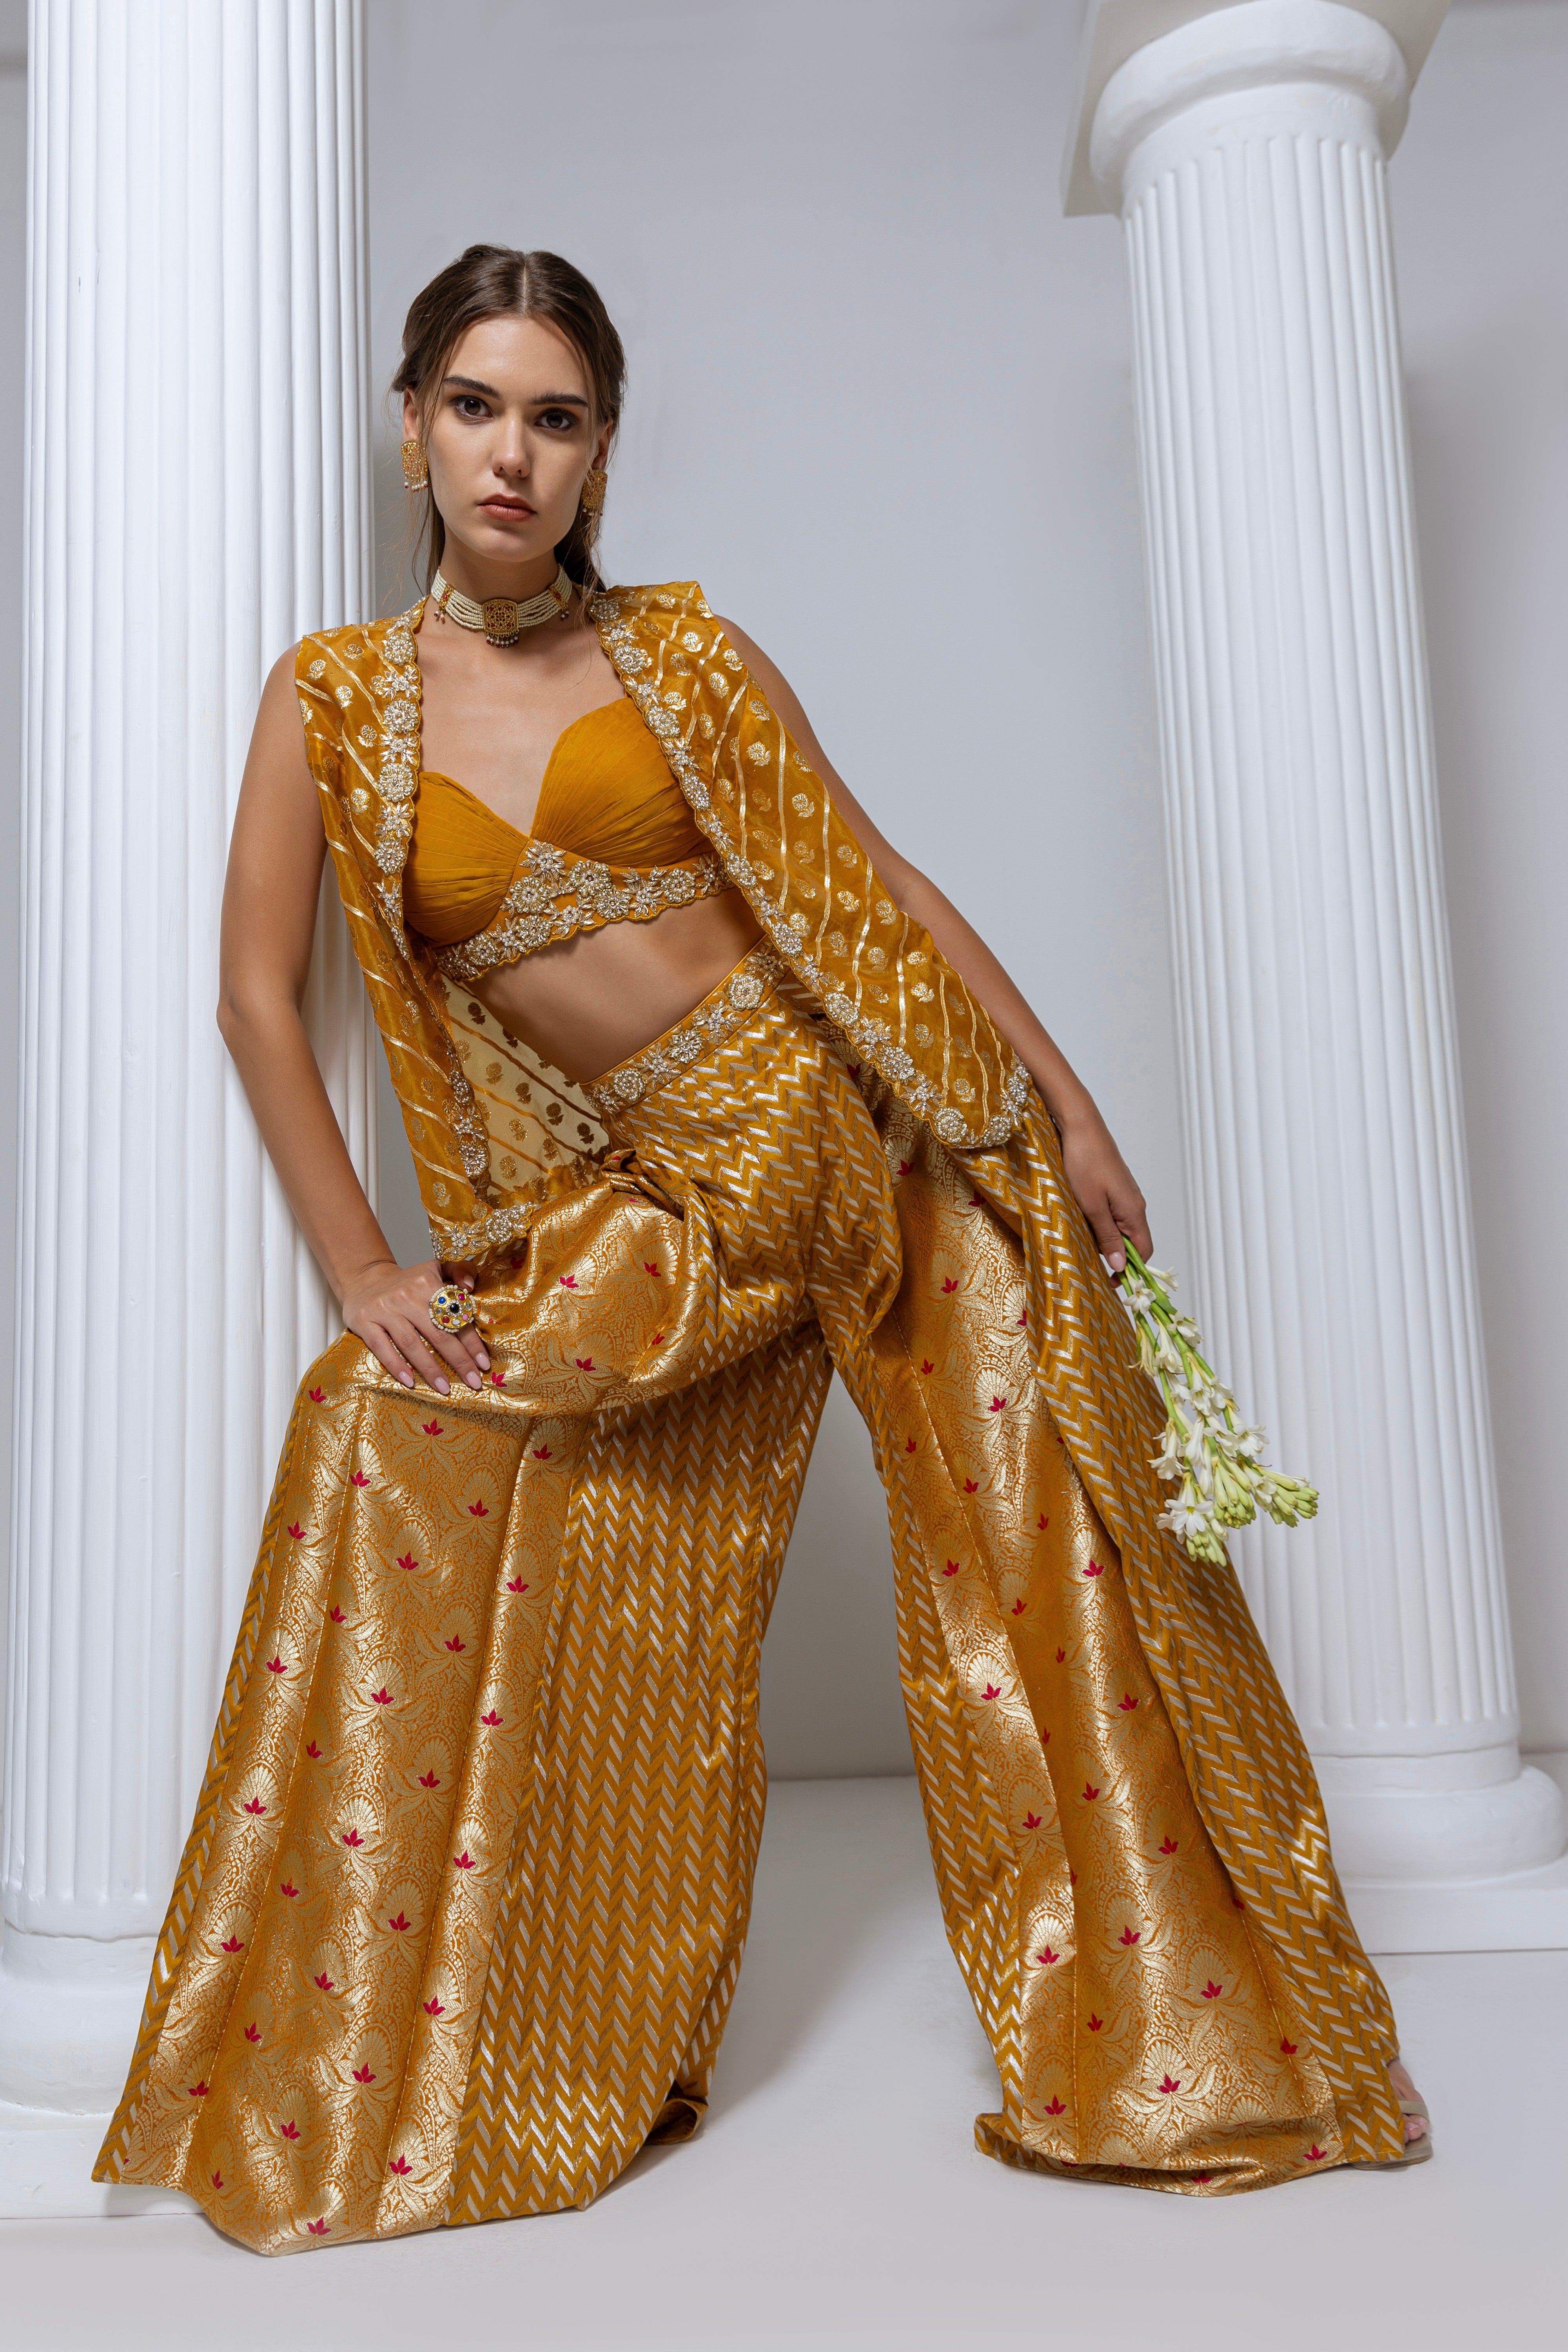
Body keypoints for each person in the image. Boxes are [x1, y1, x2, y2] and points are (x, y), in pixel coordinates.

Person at [94, 245, 1428, 2255]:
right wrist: (366, 1267)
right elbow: (255, 997)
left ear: (603, 448)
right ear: (412, 426)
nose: (513, 454)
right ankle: (483, 2071)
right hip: (680, 1186)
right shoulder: (339, 701)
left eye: (556, 417)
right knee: (395, 1435)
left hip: (887, 1124)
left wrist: (1060, 1109)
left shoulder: (689, 657)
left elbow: (872, 878)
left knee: (1059, 1571)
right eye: (476, 406)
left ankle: (1209, 2066)